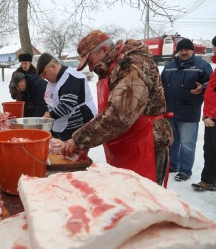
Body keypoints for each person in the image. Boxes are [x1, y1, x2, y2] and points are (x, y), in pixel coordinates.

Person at [61, 30, 173, 186]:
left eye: (91, 61)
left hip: (144, 144)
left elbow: (120, 114)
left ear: (104, 50)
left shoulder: (133, 65)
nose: (91, 68)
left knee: (143, 201)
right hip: (125, 143)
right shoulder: (111, 67)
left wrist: (79, 139)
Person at [161, 38, 213, 182]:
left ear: (192, 50)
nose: (184, 53)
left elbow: (211, 83)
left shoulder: (202, 65)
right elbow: (161, 84)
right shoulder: (169, 66)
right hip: (170, 110)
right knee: (172, 141)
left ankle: (185, 170)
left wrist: (202, 87)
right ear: (177, 51)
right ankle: (173, 165)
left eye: (186, 50)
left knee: (187, 143)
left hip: (190, 111)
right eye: (181, 50)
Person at [36, 52, 97, 141]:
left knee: (77, 154)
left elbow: (66, 106)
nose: (45, 78)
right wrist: (47, 112)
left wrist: (47, 117)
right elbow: (51, 102)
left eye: (45, 74)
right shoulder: (54, 80)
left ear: (53, 67)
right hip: (64, 129)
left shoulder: (71, 77)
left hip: (80, 128)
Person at [191, 36, 216, 191]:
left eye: (214, 46)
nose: (212, 49)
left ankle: (209, 179)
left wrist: (212, 115)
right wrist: (204, 87)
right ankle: (209, 180)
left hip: (213, 117)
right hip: (211, 116)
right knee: (210, 150)